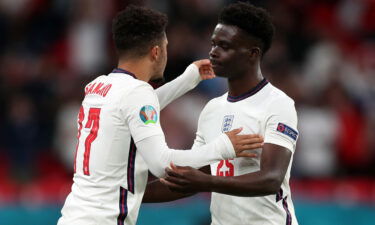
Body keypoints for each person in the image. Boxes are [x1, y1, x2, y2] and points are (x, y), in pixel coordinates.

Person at [57, 5, 263, 225]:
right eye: (165, 46)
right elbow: (161, 164)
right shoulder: (137, 93)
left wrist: (188, 79)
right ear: (156, 52)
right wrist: (223, 147)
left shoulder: (98, 87)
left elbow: (136, 107)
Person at [145, 2, 300, 225]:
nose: (213, 52)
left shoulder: (277, 104)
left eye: (224, 46)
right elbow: (191, 176)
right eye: (213, 44)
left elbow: (271, 179)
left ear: (252, 54)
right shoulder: (211, 109)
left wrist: (206, 182)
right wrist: (128, 195)